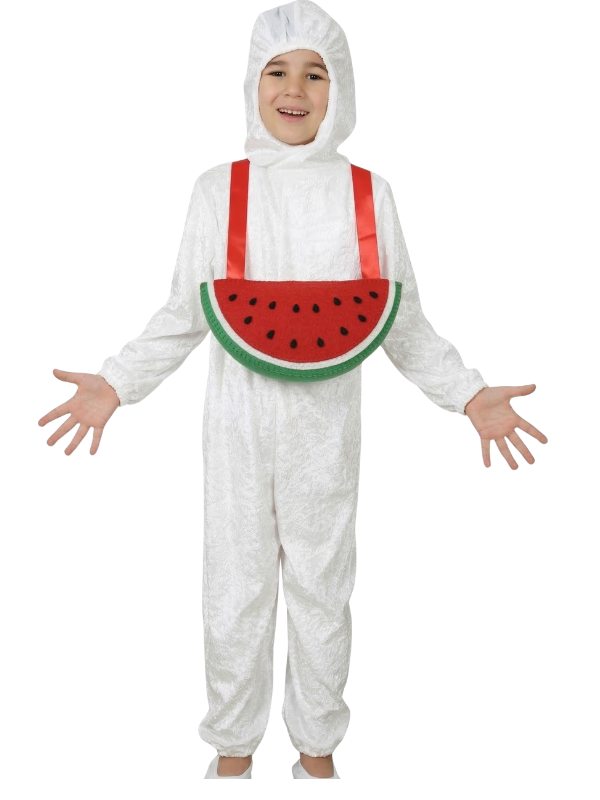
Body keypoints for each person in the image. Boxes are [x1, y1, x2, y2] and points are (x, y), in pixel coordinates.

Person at [37, 0, 548, 780]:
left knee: (322, 587)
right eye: (278, 71)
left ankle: (317, 756)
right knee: (233, 584)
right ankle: (231, 755)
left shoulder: (369, 193)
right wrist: (118, 382)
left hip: (326, 428)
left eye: (317, 73)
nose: (295, 89)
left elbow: (399, 317)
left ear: (342, 88)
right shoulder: (218, 189)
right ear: (252, 83)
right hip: (235, 424)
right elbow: (186, 309)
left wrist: (468, 394)